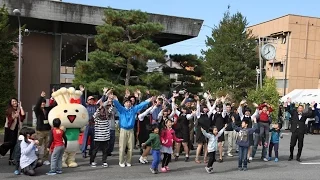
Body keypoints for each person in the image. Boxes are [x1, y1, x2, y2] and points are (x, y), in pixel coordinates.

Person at [112, 94, 154, 167]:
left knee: (130, 147)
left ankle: (128, 161)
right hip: (123, 130)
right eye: (127, 102)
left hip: (131, 130)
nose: (128, 103)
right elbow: (117, 104)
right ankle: (121, 161)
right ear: (124, 103)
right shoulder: (122, 110)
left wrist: (148, 100)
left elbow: (141, 105)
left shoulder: (133, 110)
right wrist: (114, 99)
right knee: (122, 147)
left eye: (129, 102)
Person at [0, 98, 26, 165]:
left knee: (14, 144)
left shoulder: (18, 109)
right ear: (11, 103)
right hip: (9, 129)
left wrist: (20, 107)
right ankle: (1, 150)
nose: (15, 102)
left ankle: (11, 159)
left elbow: (23, 115)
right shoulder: (9, 110)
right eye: (13, 101)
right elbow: (9, 120)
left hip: (15, 129)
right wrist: (14, 116)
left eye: (15, 101)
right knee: (9, 143)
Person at [34, 91, 56, 166]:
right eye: (42, 102)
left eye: (44, 102)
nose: (43, 103)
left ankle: (45, 159)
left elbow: (53, 105)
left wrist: (54, 95)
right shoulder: (37, 110)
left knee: (47, 145)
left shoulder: (47, 109)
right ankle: (36, 158)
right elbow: (37, 105)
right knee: (38, 145)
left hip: (48, 130)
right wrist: (41, 97)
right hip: (40, 130)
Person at [90, 97, 112, 168]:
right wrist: (101, 106)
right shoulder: (96, 118)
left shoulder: (107, 117)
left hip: (106, 136)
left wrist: (109, 101)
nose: (103, 112)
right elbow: (95, 114)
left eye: (103, 110)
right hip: (98, 137)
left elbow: (110, 110)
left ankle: (104, 161)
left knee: (105, 150)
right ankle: (92, 161)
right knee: (95, 150)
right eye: (101, 110)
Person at [80, 85, 98, 158]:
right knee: (85, 139)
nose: (91, 100)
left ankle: (92, 151)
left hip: (94, 125)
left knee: (94, 139)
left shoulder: (96, 107)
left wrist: (104, 94)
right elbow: (82, 100)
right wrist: (81, 92)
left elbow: (102, 101)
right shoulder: (86, 106)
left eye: (92, 99)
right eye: (90, 99)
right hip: (87, 125)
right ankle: (84, 151)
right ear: (88, 101)